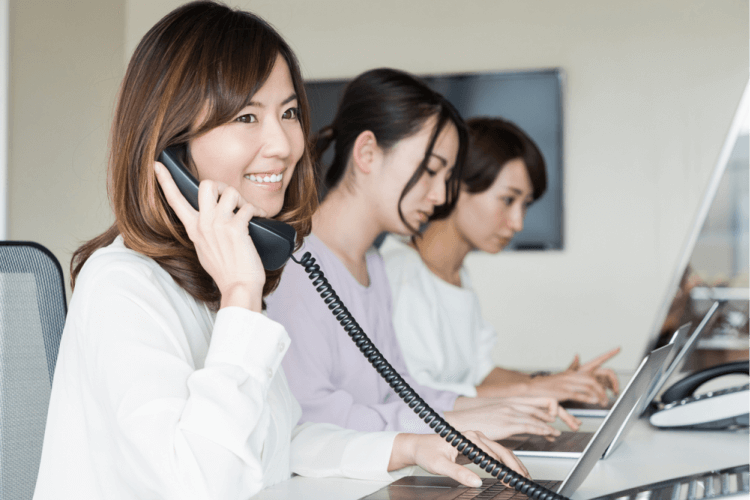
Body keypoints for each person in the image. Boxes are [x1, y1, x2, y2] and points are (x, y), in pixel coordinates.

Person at [32, 4, 527, 499]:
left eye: (288, 113)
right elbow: (199, 486)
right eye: (246, 116)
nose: (284, 145)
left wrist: (409, 448)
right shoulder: (123, 286)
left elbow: (280, 439)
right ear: (172, 148)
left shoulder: (213, 279)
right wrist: (242, 296)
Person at [266, 69, 580, 443]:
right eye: (430, 171)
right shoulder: (295, 264)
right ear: (367, 153)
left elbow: (401, 391)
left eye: (446, 178)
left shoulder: (373, 266)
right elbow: (312, 417)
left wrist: (494, 410)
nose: (439, 196)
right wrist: (452, 425)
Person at [381, 117, 620, 403]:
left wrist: (561, 385)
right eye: (508, 200)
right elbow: (416, 398)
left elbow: (479, 372)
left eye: (525, 205)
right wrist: (534, 391)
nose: (518, 223)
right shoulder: (400, 274)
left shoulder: (456, 274)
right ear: (454, 187)